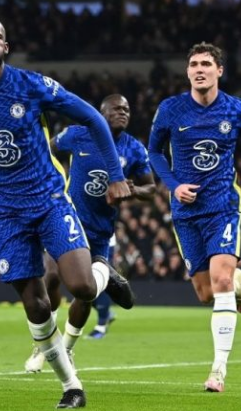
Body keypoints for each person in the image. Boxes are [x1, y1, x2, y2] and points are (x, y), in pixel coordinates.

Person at [0, 16, 135, 409]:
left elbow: (93, 117)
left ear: (6, 47)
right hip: (5, 210)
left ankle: (103, 272)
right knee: (37, 305)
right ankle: (72, 387)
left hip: (49, 198)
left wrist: (115, 174)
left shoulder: (32, 84)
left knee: (82, 288)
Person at [148, 42, 241, 393]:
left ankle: (218, 370)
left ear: (219, 71)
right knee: (205, 293)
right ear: (187, 71)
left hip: (223, 205)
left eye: (206, 64)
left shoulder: (237, 110)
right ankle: (236, 289)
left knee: (220, 281)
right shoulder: (170, 109)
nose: (199, 69)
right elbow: (154, 152)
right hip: (185, 211)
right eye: (194, 64)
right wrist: (174, 185)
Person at [25, 94, 156, 373]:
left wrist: (133, 189)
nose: (123, 112)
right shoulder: (77, 135)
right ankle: (45, 343)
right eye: (116, 108)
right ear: (101, 112)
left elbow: (151, 188)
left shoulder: (134, 149)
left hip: (100, 231)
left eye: (127, 109)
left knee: (85, 294)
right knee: (50, 277)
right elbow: (46, 150)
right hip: (67, 220)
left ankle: (67, 349)